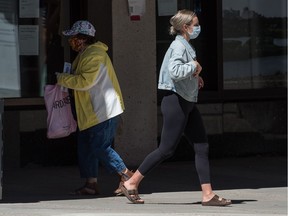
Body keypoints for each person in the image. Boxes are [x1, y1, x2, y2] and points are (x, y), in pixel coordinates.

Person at [120, 9, 232, 206]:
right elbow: (174, 71)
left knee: (202, 146)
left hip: (187, 101)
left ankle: (207, 194)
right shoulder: (178, 46)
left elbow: (183, 71)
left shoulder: (186, 45)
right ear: (185, 27)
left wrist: (195, 76)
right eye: (195, 25)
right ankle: (131, 181)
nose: (198, 28)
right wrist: (194, 67)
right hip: (176, 101)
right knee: (166, 149)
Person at [56, 20, 133, 195]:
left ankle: (127, 175)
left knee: (100, 147)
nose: (71, 41)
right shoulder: (86, 54)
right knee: (86, 147)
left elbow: (85, 82)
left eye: (73, 37)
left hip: (103, 111)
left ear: (82, 39)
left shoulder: (94, 55)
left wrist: (62, 79)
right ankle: (91, 183)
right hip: (91, 111)